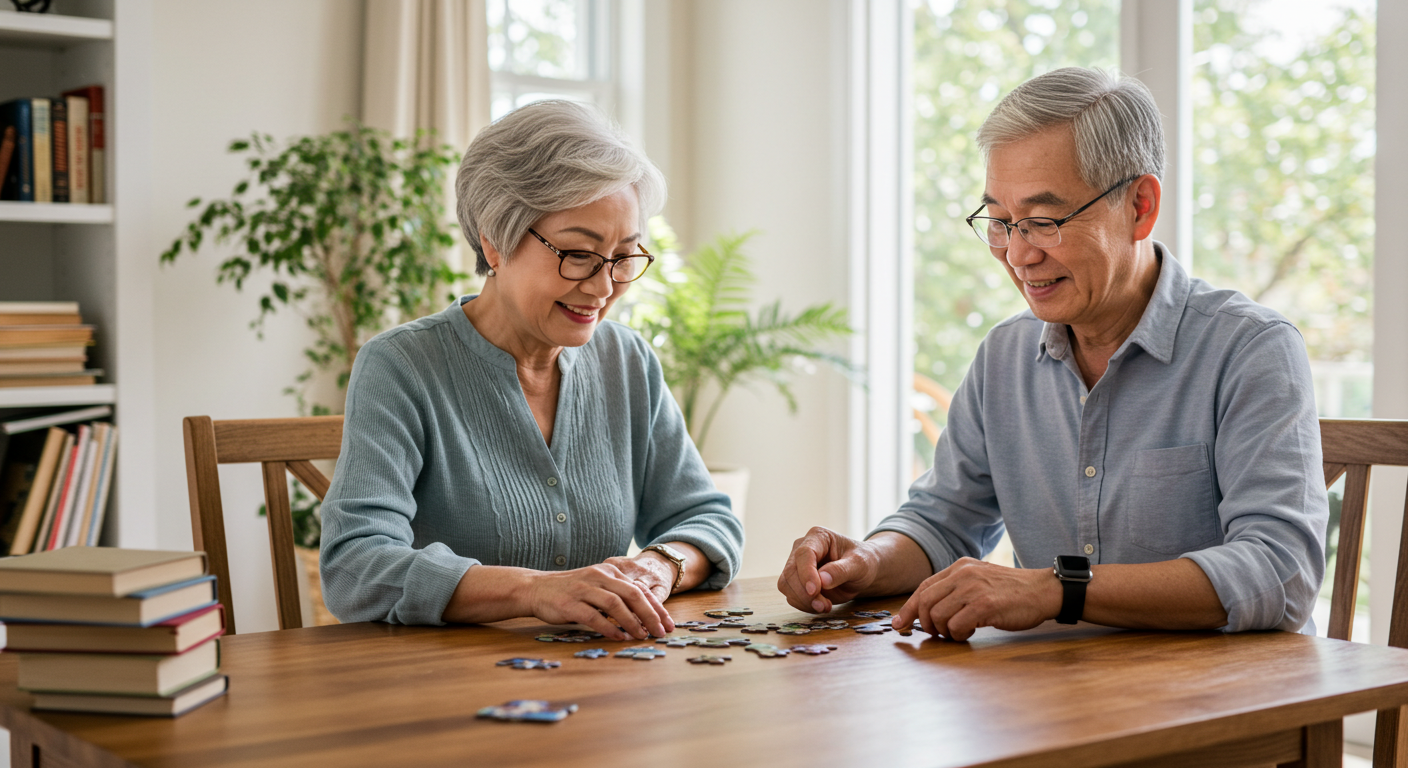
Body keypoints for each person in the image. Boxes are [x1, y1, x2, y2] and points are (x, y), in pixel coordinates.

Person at [778, 67, 1327, 640]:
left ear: (1140, 206)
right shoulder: (1004, 356)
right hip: (1052, 684)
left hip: (1223, 689)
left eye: (1042, 222)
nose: (1017, 255)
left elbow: (1280, 572)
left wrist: (1056, 589)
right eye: (1000, 222)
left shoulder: (1251, 348)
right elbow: (943, 522)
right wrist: (866, 561)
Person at [320, 100, 743, 641]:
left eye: (623, 256)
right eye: (578, 254)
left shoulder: (627, 361)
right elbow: (354, 565)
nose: (604, 287)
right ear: (495, 243)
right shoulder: (401, 367)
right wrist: (535, 591)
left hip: (601, 675)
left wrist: (660, 566)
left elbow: (708, 518)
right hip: (447, 680)